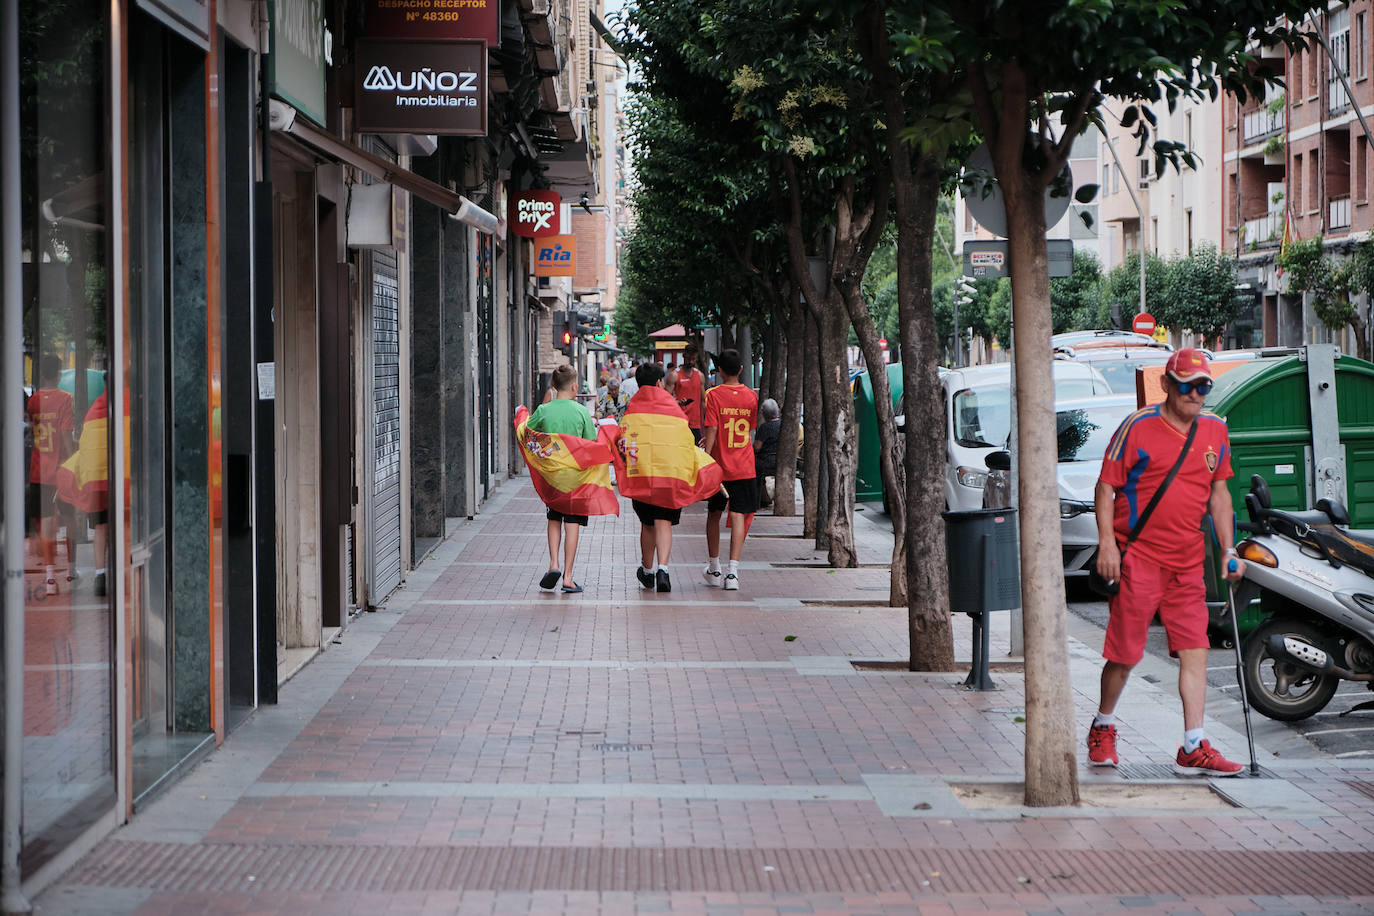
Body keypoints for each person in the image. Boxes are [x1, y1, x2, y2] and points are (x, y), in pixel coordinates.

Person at [1088, 348, 1246, 776]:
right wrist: (1107, 545)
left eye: (1203, 386)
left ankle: (1193, 745)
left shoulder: (1214, 431)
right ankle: (1103, 725)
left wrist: (1229, 551)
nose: (1195, 394)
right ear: (1167, 385)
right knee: (1125, 654)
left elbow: (1219, 494)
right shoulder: (1137, 426)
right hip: (1137, 557)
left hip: (1188, 561)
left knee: (1196, 651)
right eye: (1186, 385)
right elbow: (1106, 488)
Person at [612, 362, 722, 593]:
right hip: (671, 475)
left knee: (647, 523)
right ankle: (664, 568)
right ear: (660, 382)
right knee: (664, 522)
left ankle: (648, 570)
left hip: (642, 475)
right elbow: (684, 442)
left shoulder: (633, 409)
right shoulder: (673, 408)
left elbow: (624, 440)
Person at [526, 364, 598, 593]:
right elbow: (591, 445)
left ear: (553, 386)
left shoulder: (544, 410)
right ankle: (568, 576)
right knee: (573, 523)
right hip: (575, 477)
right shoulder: (581, 412)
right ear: (575, 386)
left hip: (552, 477)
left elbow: (527, 433)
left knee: (554, 519)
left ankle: (553, 564)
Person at [700, 350, 759, 590]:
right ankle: (732, 573)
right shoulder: (751, 397)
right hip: (744, 465)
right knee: (738, 516)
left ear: (720, 371)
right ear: (741, 370)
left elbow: (712, 429)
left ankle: (714, 568)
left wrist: (705, 460)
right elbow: (749, 428)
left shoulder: (712, 395)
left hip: (719, 467)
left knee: (714, 514)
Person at [27, 355, 75, 596]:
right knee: (69, 519)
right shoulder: (66, 400)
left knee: (46, 522)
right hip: (61, 469)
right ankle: (71, 569)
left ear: (41, 373)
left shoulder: (33, 401)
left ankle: (49, 577)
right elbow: (66, 437)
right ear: (58, 373)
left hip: (38, 469)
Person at [672, 346, 706, 442]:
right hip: (679, 422)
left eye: (693, 359)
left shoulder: (700, 375)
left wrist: (706, 422)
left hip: (695, 424)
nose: (691, 362)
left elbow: (703, 401)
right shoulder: (675, 375)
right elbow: (666, 399)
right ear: (683, 356)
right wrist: (678, 403)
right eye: (688, 359)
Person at [753, 398, 781, 510]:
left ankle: (757, 500)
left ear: (764, 413)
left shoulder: (765, 427)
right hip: (780, 460)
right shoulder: (783, 424)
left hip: (766, 462)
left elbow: (757, 447)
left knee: (752, 466)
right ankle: (765, 498)